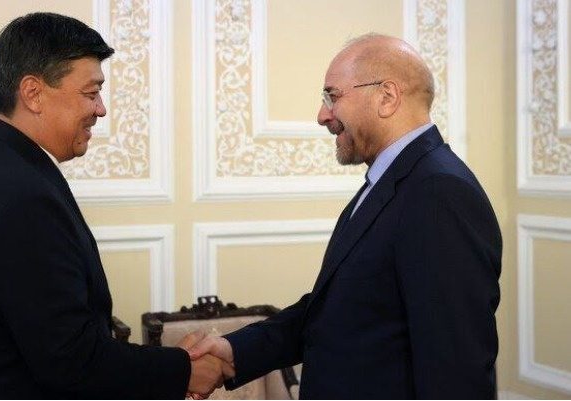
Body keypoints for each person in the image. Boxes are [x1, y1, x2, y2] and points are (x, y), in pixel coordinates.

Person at [0, 12, 231, 399]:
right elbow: (71, 361)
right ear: (33, 93)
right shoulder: (19, 193)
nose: (100, 109)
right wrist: (182, 370)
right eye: (90, 93)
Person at [188, 33, 502, 399]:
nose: (322, 115)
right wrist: (235, 351)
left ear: (387, 97)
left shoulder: (439, 192)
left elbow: (457, 371)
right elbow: (338, 312)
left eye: (332, 96)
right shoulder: (392, 181)